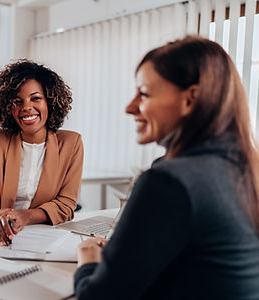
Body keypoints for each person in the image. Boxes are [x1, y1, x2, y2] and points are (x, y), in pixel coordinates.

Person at [74, 36, 259, 299]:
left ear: (190, 99)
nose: (130, 107)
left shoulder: (169, 182)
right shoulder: (244, 169)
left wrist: (88, 257)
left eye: (144, 93)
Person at [0, 60, 83, 246]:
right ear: (7, 107)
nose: (26, 107)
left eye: (35, 98)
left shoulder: (71, 144)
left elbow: (65, 205)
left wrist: (24, 217)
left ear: (50, 101)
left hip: (46, 239)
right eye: (17, 101)